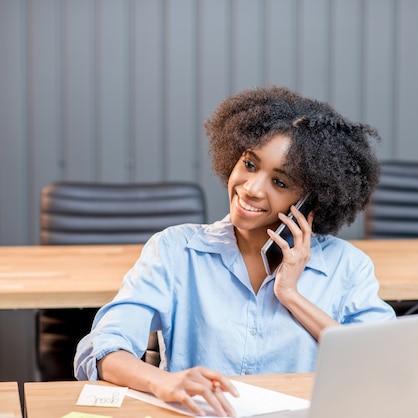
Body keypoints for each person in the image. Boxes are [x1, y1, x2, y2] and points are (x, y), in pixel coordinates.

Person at [74, 86, 395, 416]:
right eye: (250, 165)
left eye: (280, 182)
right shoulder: (176, 251)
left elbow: (383, 367)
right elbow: (101, 348)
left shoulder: (347, 266)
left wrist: (292, 295)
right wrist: (160, 381)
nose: (252, 189)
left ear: (311, 200)